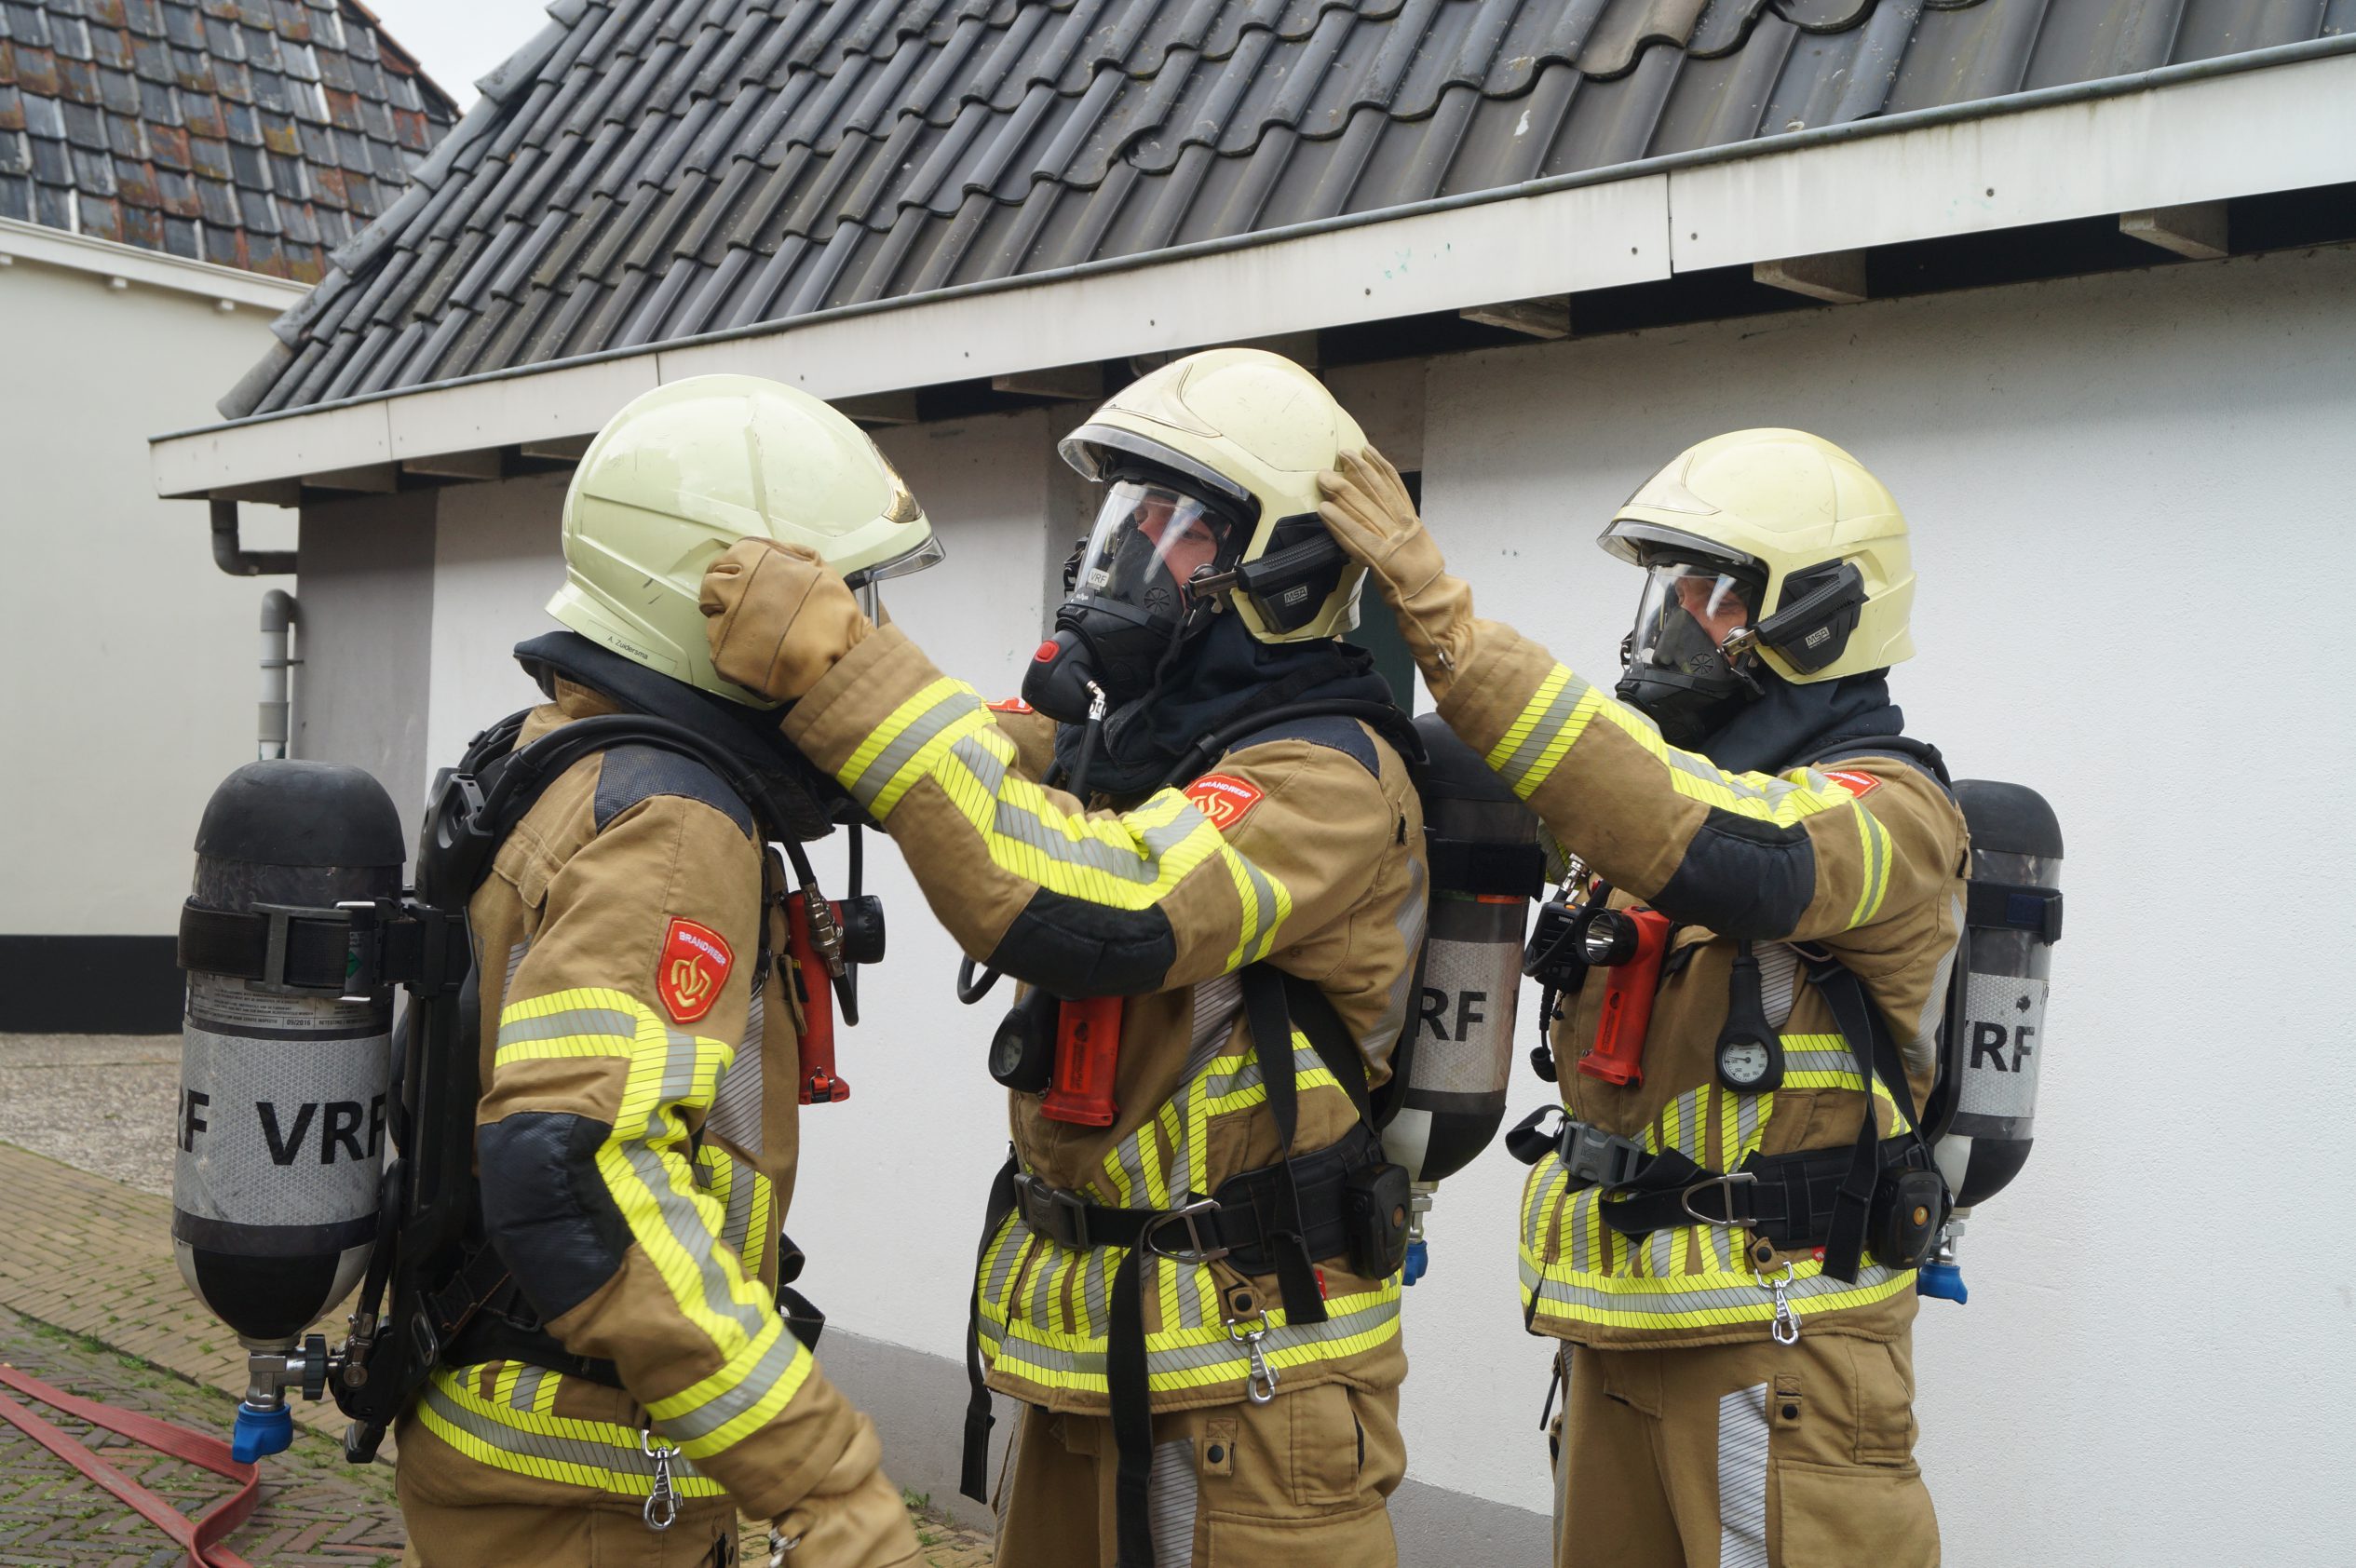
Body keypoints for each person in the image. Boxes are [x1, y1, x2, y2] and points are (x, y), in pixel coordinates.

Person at [697, 348, 1425, 1566]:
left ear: (1284, 571)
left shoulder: (1325, 775)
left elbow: (1101, 905)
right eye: (1126, 515)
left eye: (1178, 527)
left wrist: (855, 673)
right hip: (1091, 1355)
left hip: (1252, 1389)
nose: (1129, 552)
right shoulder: (1135, 746)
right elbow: (953, 759)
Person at [1316, 431, 1961, 1567]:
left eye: (1716, 595)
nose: (1676, 620)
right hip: (1614, 1334)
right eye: (1670, 587)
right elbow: (1599, 784)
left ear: (1820, 618)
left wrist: (1443, 623)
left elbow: (1722, 845)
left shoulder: (1889, 811)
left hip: (1789, 1358)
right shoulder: (1662, 805)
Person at [392, 376, 936, 1568]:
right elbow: (578, 1165)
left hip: (520, 1415)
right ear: (713, 606)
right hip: (588, 1463)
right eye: (841, 600)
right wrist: (825, 1481)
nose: (859, 642)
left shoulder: (553, 755)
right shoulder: (677, 823)